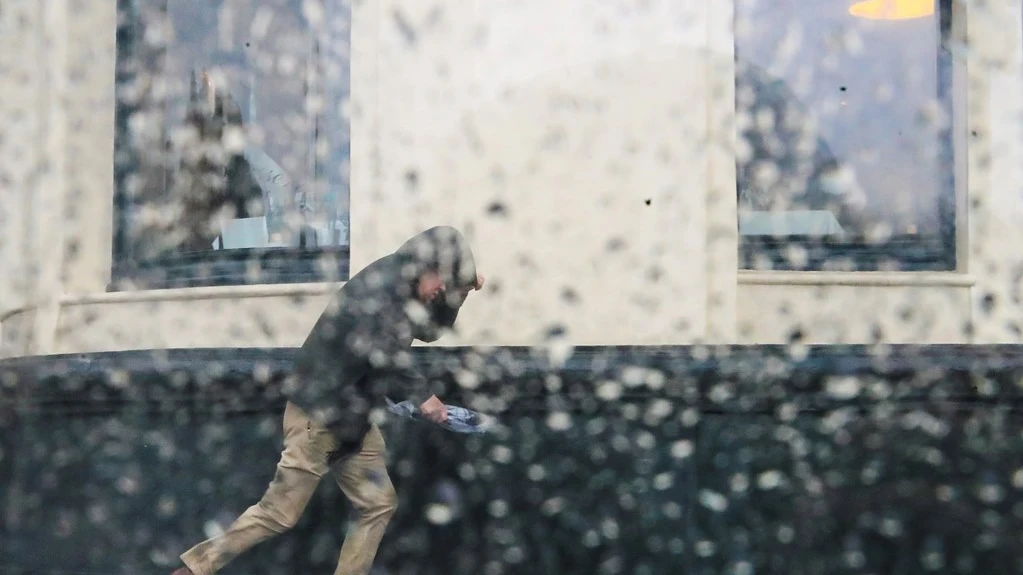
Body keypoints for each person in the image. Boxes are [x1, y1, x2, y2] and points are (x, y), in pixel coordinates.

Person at [171, 226, 485, 575]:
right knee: (278, 513)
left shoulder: (408, 287)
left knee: (377, 503)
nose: (441, 289)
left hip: (351, 419)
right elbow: (388, 355)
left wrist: (462, 292)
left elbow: (428, 332)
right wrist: (427, 400)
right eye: (442, 280)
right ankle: (194, 570)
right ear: (423, 264)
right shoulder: (382, 290)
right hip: (318, 419)